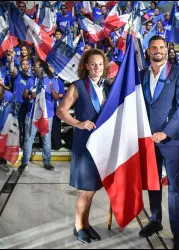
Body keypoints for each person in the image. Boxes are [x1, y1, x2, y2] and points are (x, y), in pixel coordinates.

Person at [138, 35, 179, 249]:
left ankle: (177, 234)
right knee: (153, 183)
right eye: (153, 48)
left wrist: (166, 133)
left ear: (167, 49)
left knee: (175, 188)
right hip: (148, 140)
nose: (157, 51)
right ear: (148, 51)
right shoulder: (141, 75)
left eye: (161, 47)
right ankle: (155, 220)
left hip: (171, 140)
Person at [56, 49, 111, 244]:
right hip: (85, 144)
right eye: (93, 64)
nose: (97, 68)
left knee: (92, 188)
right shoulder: (77, 86)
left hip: (101, 144)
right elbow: (61, 111)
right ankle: (79, 226)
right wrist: (78, 123)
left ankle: (86, 225)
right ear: (86, 66)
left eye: (100, 65)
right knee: (86, 190)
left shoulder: (106, 87)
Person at [17, 60, 61, 172]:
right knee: (28, 139)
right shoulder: (31, 80)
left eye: (35, 67)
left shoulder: (52, 80)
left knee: (46, 139)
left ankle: (47, 162)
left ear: (42, 68)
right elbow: (24, 95)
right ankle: (24, 162)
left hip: (46, 115)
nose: (32, 69)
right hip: (31, 114)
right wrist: (28, 94)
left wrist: (51, 89)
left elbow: (56, 98)